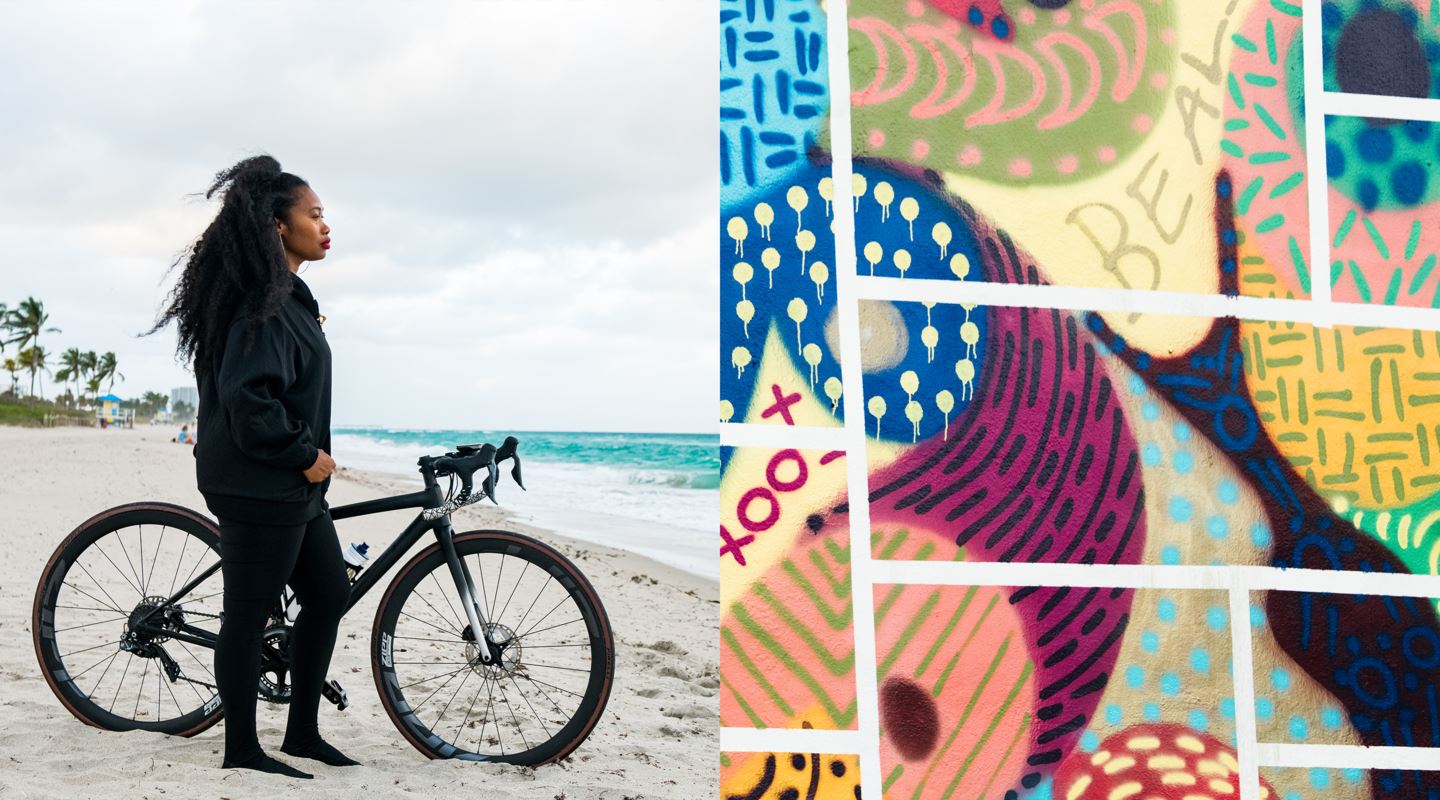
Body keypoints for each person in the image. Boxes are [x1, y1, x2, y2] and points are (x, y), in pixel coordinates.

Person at [142, 154, 351, 778]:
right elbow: (247, 398)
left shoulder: (290, 296)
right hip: (260, 482)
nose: (324, 223)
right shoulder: (261, 302)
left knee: (329, 594)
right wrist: (304, 454)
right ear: (278, 226)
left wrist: (306, 461)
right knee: (249, 613)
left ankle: (302, 734)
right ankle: (242, 749)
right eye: (313, 214)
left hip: (291, 484)